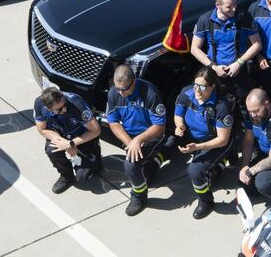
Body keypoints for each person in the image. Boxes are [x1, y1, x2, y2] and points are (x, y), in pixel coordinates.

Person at [106, 64, 167, 216]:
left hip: (151, 136)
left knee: (131, 165)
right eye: (117, 88)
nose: (120, 93)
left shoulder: (150, 94)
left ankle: (139, 196)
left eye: (124, 89)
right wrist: (129, 142)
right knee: (145, 173)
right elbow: (113, 122)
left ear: (134, 81)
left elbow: (160, 126)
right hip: (130, 137)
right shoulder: (115, 93)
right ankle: (157, 159)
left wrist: (138, 140)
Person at [173, 66, 234, 219]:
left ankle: (206, 201)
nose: (197, 90)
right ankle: (215, 168)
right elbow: (178, 114)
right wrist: (179, 126)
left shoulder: (221, 107)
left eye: (202, 87)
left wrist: (198, 147)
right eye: (195, 85)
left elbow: (222, 139)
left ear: (212, 87)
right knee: (168, 144)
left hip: (214, 142)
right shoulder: (187, 93)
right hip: (193, 137)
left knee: (194, 171)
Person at [191, 0, 262, 115]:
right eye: (229, 7)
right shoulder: (205, 20)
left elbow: (257, 44)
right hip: (214, 73)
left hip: (239, 72)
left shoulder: (243, 18)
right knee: (216, 106)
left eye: (235, 4)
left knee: (244, 107)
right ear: (218, 5)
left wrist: (239, 63)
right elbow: (194, 49)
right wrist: (214, 67)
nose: (234, 9)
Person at [34, 87, 102, 194]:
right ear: (49, 109)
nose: (65, 109)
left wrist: (71, 143)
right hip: (61, 134)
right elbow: (42, 129)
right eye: (60, 109)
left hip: (82, 136)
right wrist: (62, 141)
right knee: (51, 150)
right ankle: (67, 176)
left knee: (84, 176)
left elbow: (96, 130)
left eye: (64, 104)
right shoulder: (39, 104)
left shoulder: (76, 104)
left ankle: (93, 159)